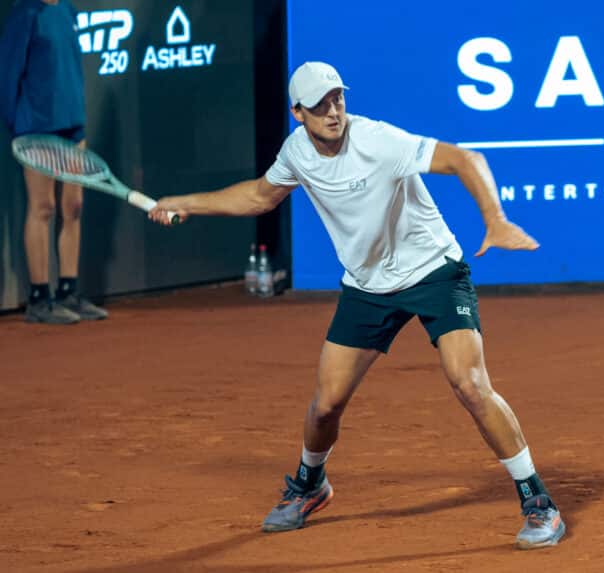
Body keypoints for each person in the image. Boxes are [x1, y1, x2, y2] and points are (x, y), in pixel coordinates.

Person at [149, 61, 565, 549]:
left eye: (338, 98)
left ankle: (539, 502)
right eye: (320, 104)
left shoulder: (378, 141)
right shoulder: (297, 153)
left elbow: (464, 158)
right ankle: (310, 484)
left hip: (434, 271)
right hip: (368, 286)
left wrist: (494, 220)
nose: (333, 110)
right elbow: (261, 197)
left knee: (469, 382)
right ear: (298, 113)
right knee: (325, 405)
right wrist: (187, 203)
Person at [0, 0, 108, 324]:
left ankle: (68, 291)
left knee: (73, 206)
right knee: (43, 207)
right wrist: (19, 127)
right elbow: (7, 76)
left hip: (72, 124)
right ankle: (38, 298)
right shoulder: (25, 15)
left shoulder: (68, 11)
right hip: (37, 127)